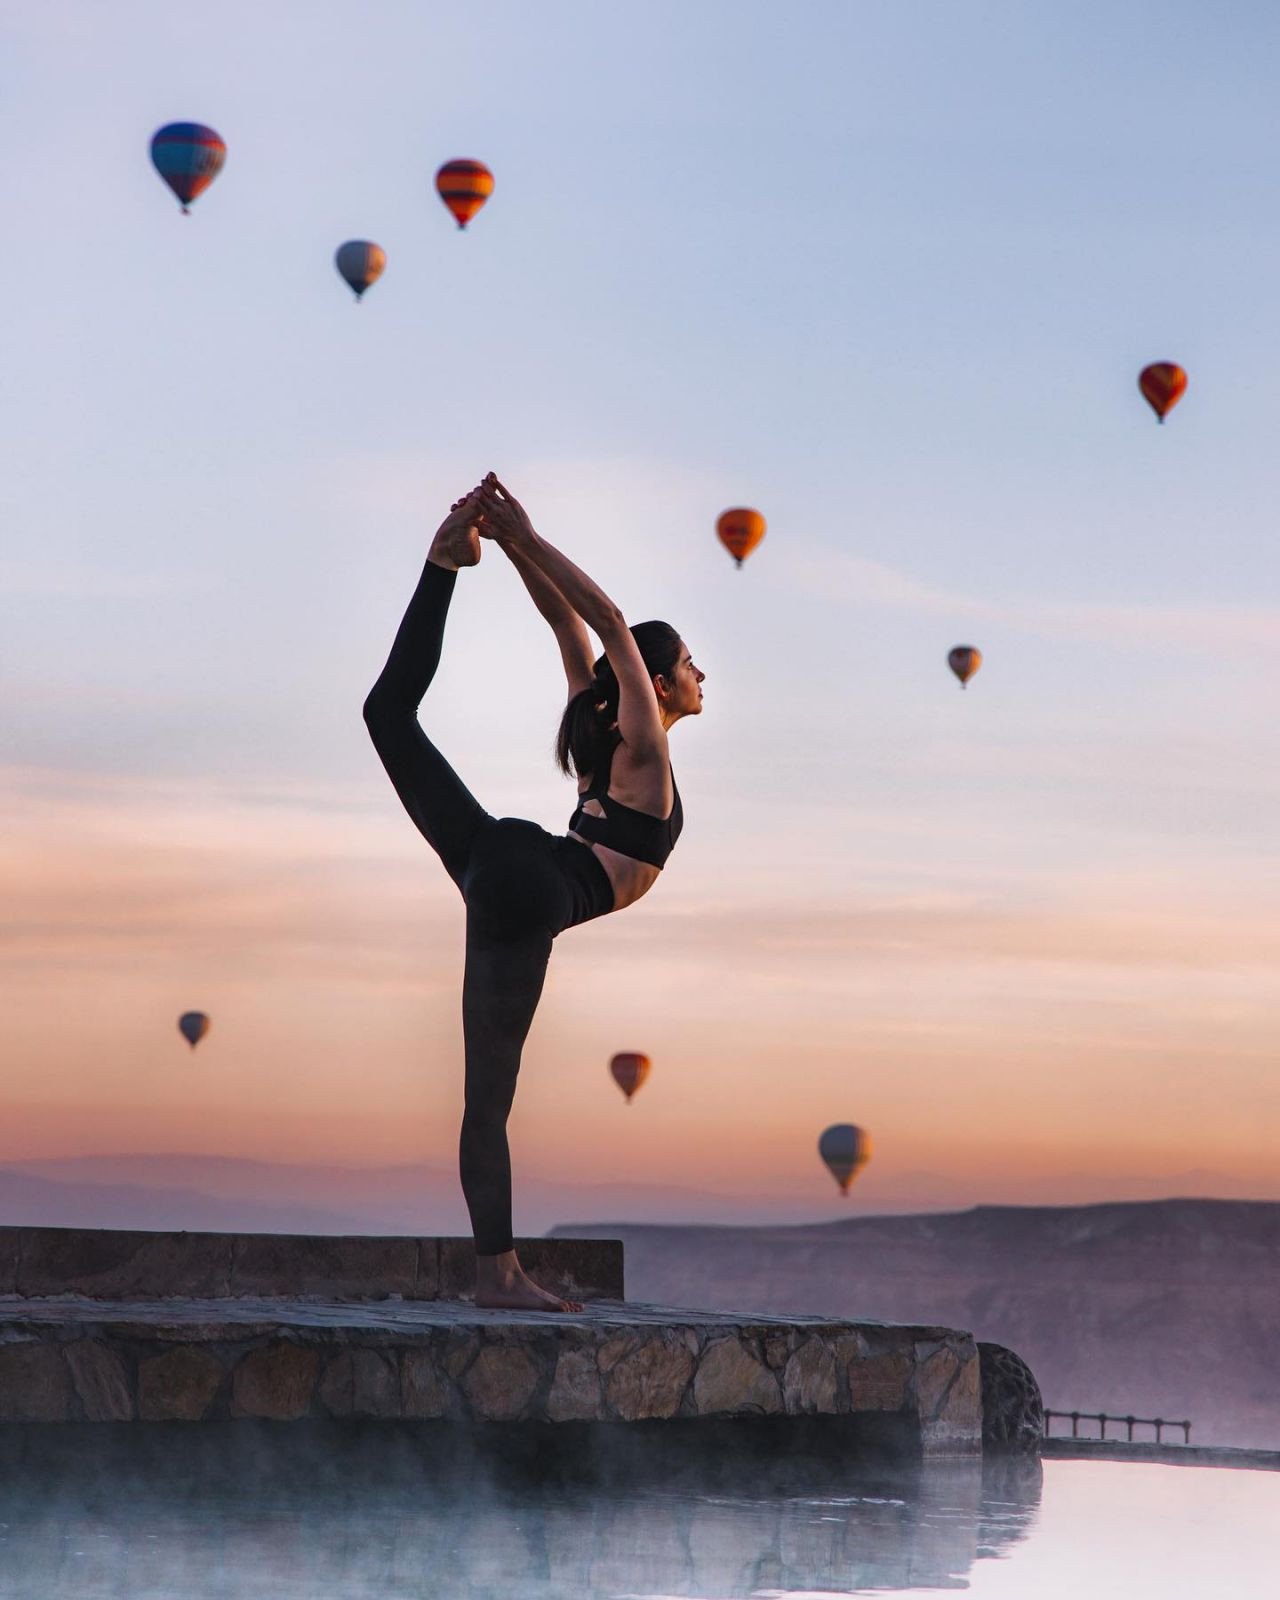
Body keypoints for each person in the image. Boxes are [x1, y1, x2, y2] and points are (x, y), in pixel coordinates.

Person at [363, 473, 704, 1311]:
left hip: (498, 856)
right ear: (656, 687)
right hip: (531, 887)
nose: (703, 674)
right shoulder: (643, 752)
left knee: (387, 715)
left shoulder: (595, 727)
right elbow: (607, 621)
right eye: (691, 664)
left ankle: (442, 565)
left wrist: (504, 546)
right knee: (489, 1100)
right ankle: (501, 1278)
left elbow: (564, 621)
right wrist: (521, 536)